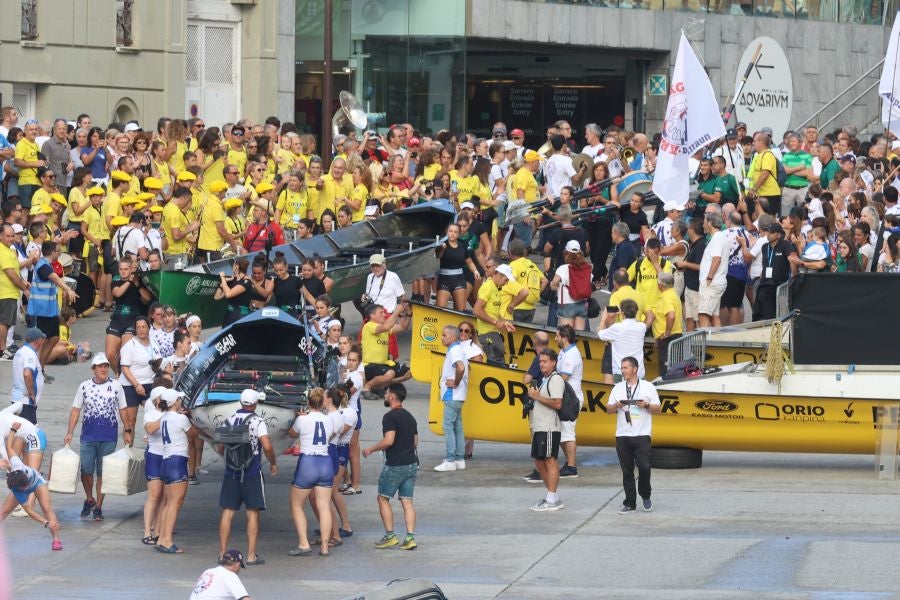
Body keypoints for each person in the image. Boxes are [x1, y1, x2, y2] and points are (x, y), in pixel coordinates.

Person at [64, 353, 131, 523]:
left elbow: (123, 409)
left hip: (109, 436)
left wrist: (127, 430)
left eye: (106, 366)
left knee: (103, 473)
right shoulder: (84, 386)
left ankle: (99, 507)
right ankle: (89, 499)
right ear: (93, 369)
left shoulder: (116, 386)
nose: (103, 369)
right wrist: (70, 431)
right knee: (86, 470)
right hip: (88, 435)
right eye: (100, 366)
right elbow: (75, 410)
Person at [217, 389, 278, 567]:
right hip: (251, 472)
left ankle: (222, 554)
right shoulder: (258, 421)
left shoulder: (229, 419)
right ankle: (251, 555)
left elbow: (221, 448)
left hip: (231, 472)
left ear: (241, 402)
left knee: (227, 512)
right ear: (255, 403)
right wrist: (273, 461)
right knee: (252, 513)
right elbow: (266, 445)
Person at [363, 383, 419, 551]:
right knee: (407, 502)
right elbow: (415, 442)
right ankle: (410, 538)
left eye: (386, 393)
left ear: (393, 396)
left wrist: (370, 449)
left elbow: (389, 440)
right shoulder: (410, 417)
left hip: (396, 464)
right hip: (411, 464)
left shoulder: (390, 417)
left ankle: (390, 536)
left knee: (383, 498)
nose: (385, 395)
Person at [607, 356, 661, 515]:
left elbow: (658, 409)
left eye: (626, 368)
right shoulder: (617, 388)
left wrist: (647, 405)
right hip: (623, 434)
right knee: (627, 470)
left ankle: (645, 494)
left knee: (644, 466)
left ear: (635, 369)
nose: (623, 371)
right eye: (622, 368)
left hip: (642, 434)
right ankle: (630, 503)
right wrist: (617, 405)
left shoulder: (648, 387)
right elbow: (608, 409)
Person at [286, 388, 334, 557]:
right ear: (323, 403)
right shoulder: (328, 420)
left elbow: (291, 433)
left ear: (308, 402)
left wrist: (300, 417)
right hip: (325, 462)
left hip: (308, 462)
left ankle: (304, 543)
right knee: (324, 507)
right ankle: (325, 546)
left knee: (297, 504)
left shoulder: (302, 419)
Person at [0, 429, 63, 551]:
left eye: (25, 486)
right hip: (20, 485)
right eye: (22, 489)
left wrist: (13, 430)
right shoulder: (18, 491)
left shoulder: (18, 464)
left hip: (38, 483)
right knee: (3, 512)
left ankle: (56, 539)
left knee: (46, 508)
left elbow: (9, 448)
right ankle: (51, 526)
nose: (25, 490)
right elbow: (30, 511)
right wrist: (46, 523)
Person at [525, 349, 564, 511]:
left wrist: (537, 397)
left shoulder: (555, 380)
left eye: (545, 361)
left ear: (553, 363)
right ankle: (552, 496)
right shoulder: (545, 379)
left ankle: (552, 499)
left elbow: (557, 404)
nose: (541, 364)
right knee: (539, 462)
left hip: (549, 427)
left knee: (550, 460)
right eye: (540, 361)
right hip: (540, 427)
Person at [156, 388, 193, 554]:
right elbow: (194, 434)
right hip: (178, 462)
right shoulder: (181, 419)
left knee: (168, 503)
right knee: (175, 504)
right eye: (179, 399)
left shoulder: (163, 418)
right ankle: (167, 540)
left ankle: (162, 537)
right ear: (174, 402)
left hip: (166, 460)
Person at [118, 316, 160, 439]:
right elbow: (124, 368)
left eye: (144, 327)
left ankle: (152, 447)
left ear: (149, 328)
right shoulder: (130, 345)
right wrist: (136, 385)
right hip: (131, 385)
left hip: (150, 383)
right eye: (138, 327)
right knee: (131, 421)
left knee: (155, 415)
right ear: (135, 329)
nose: (141, 330)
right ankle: (128, 449)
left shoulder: (154, 342)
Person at [434, 325, 468, 473]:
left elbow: (461, 368)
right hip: (459, 395)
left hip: (452, 394)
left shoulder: (454, 351)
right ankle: (459, 459)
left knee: (448, 426)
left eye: (444, 335)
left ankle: (450, 460)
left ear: (452, 337)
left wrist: (455, 382)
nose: (441, 337)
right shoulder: (458, 349)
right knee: (457, 426)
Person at [360, 303, 412, 399]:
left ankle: (379, 386)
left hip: (384, 364)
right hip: (370, 365)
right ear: (372, 316)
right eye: (381, 313)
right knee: (390, 374)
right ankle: (366, 387)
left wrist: (408, 314)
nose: (384, 315)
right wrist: (397, 311)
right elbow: (387, 327)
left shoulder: (383, 328)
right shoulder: (369, 326)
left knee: (410, 373)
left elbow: (402, 327)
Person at [472, 263, 520, 364]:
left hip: (492, 333)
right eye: (506, 280)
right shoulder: (488, 287)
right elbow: (476, 310)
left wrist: (505, 323)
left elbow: (494, 312)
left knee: (498, 361)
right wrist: (495, 322)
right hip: (487, 333)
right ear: (499, 275)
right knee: (497, 363)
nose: (506, 283)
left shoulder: (495, 288)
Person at [752, 222, 797, 320]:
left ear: (779, 234)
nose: (768, 234)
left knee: (772, 314)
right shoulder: (765, 247)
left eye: (772, 232)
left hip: (778, 285)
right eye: (768, 232)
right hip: (764, 284)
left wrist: (794, 274)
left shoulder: (785, 245)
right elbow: (766, 263)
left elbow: (792, 260)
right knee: (759, 312)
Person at [555, 325, 583, 479]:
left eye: (557, 336)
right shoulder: (563, 352)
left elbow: (563, 377)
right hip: (564, 397)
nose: (555, 339)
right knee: (561, 433)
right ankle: (569, 462)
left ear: (564, 337)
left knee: (568, 433)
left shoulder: (572, 354)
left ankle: (572, 467)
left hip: (571, 399)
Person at [598, 299, 646, 385]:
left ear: (622, 313)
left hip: (621, 373)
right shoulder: (642, 327)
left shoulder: (617, 328)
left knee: (621, 397)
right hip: (638, 372)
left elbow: (601, 334)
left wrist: (603, 318)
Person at [141, 386, 166, 546]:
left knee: (164, 497)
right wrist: (167, 417)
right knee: (154, 495)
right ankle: (147, 532)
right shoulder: (151, 414)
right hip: (155, 456)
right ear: (157, 400)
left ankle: (158, 531)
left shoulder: (173, 414)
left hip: (169, 457)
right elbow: (150, 428)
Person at [644, 272, 683, 375]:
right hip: (675, 336)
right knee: (674, 370)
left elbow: (671, 315)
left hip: (668, 339)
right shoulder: (674, 295)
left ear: (660, 285)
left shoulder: (666, 298)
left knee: (666, 372)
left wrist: (667, 333)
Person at [10, 328, 46, 424]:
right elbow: (27, 373)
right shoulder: (30, 354)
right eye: (42, 339)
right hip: (25, 401)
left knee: (17, 431)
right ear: (38, 340)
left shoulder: (20, 351)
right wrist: (31, 394)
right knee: (29, 433)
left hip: (17, 399)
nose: (42, 342)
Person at [699, 213, 729, 328]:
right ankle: (717, 343)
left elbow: (717, 259)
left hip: (711, 283)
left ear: (710, 223)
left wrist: (709, 277)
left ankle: (704, 345)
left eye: (704, 222)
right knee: (714, 316)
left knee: (703, 315)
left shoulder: (717, 238)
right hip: (716, 282)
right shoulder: (720, 237)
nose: (703, 225)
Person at [214, 258, 252, 327]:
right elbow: (217, 297)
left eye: (233, 265)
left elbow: (228, 294)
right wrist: (224, 282)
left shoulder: (246, 282)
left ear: (236, 267)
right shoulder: (232, 280)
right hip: (229, 314)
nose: (232, 268)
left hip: (240, 314)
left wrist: (222, 277)